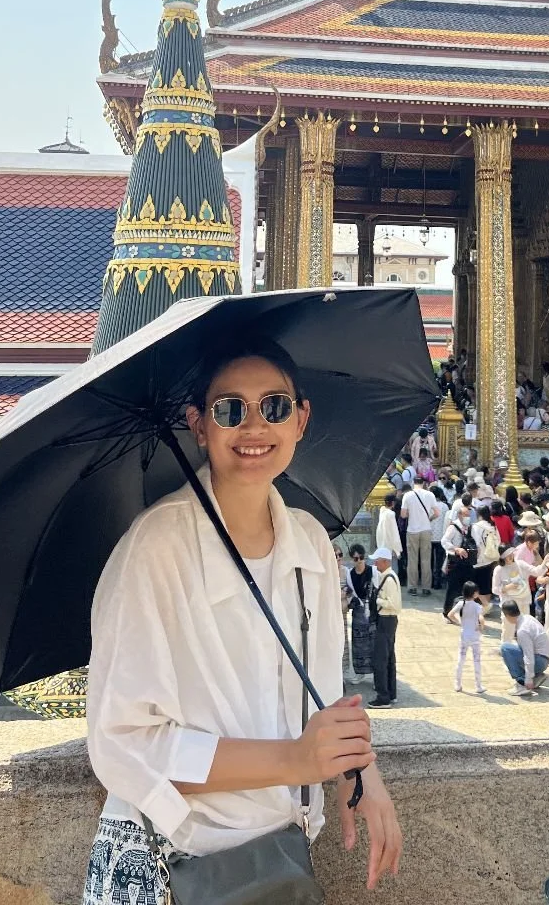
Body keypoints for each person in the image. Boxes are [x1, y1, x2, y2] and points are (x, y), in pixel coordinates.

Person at [84, 341, 400, 899]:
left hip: (279, 852)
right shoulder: (155, 549)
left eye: (274, 406)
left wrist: (358, 773)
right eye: (230, 409)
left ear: (301, 419)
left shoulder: (310, 544)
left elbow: (324, 697)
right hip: (172, 858)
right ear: (198, 427)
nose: (254, 427)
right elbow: (124, 742)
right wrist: (293, 760)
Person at [368, 547, 401, 710]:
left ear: (385, 562)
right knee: (388, 658)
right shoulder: (387, 576)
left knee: (380, 660)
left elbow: (394, 604)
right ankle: (391, 693)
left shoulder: (388, 579)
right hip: (388, 620)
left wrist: (378, 601)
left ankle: (383, 697)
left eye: (378, 560)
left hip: (386, 619)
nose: (375, 563)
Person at [498, 600, 549, 697]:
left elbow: (528, 656)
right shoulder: (528, 618)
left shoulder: (522, 630)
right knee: (513, 647)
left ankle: (521, 683)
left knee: (505, 648)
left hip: (539, 660)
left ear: (507, 616)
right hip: (545, 658)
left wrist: (528, 679)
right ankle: (537, 676)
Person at [400, 481, 437, 597]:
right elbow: (437, 512)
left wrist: (411, 513)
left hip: (412, 530)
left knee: (412, 560)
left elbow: (403, 514)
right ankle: (426, 587)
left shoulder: (408, 495)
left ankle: (412, 587)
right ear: (424, 484)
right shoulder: (430, 495)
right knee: (426, 559)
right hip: (426, 529)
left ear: (413, 484)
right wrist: (429, 518)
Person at [447, 581, 485, 694]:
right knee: (477, 660)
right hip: (475, 636)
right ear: (474, 594)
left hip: (464, 635)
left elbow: (450, 615)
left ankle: (457, 684)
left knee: (461, 659)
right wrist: (481, 627)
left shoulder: (461, 603)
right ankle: (478, 686)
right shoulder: (477, 606)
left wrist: (459, 623)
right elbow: (482, 618)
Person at [345, 545, 376, 680]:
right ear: (352, 559)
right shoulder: (350, 574)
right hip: (358, 611)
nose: (360, 561)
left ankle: (376, 674)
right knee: (358, 644)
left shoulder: (372, 571)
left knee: (373, 643)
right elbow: (349, 592)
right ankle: (360, 672)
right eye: (357, 558)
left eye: (362, 557)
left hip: (371, 610)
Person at [469, 505, 500, 609]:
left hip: (478, 559)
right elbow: (498, 541)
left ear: (478, 514)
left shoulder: (475, 526)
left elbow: (475, 542)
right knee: (486, 584)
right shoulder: (492, 526)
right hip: (491, 559)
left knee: (476, 585)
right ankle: (486, 607)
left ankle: (486, 606)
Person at [376, 491, 403, 568]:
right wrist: (397, 550)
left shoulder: (382, 511)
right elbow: (394, 532)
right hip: (389, 545)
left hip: (381, 543)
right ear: (393, 503)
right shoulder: (391, 514)